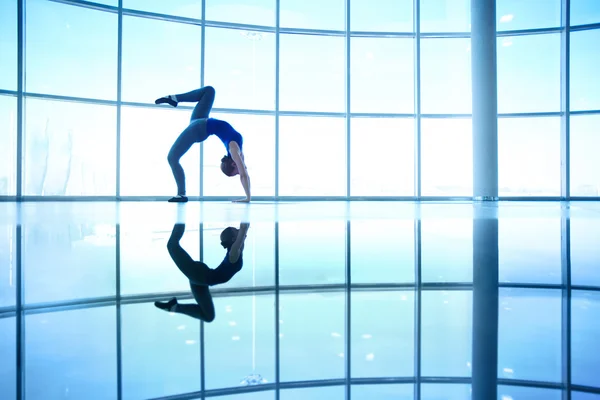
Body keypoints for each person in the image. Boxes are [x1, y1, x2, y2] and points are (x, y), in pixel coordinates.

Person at [155, 86, 251, 203]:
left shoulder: (235, 152)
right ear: (233, 164)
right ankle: (174, 98)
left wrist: (247, 196)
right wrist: (248, 197)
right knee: (209, 91)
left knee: (172, 158)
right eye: (236, 173)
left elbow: (244, 173)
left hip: (199, 129)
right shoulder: (234, 151)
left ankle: (181, 194)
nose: (239, 173)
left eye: (235, 173)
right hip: (200, 122)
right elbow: (244, 175)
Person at [154, 222, 250, 322]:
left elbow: (244, 230)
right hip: (199, 276)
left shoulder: (237, 249)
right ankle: (181, 218)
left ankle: (174, 307)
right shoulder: (233, 253)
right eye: (236, 230)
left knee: (209, 317)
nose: (238, 231)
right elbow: (243, 229)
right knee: (172, 245)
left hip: (200, 279)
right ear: (234, 239)